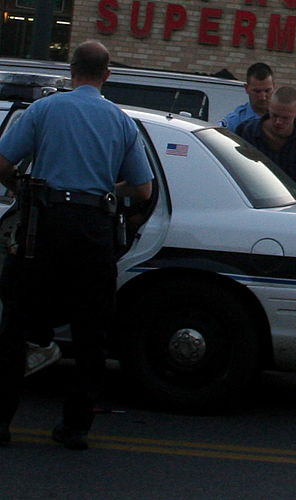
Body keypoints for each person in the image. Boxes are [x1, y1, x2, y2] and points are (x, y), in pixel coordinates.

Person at [0, 40, 153, 449]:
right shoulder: (121, 122)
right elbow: (142, 189)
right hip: (92, 229)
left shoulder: (44, 110)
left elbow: (1, 163)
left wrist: (21, 190)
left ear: (72, 70)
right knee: (91, 331)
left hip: (42, 226)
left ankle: (1, 423)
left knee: (15, 323)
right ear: (107, 74)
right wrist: (107, 189)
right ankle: (75, 428)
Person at [236, 86, 296, 198]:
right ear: (269, 107)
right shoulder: (246, 132)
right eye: (274, 115)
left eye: (286, 118)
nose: (278, 122)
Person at [218, 62, 296, 132]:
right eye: (257, 91)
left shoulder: (293, 117)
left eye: (267, 91)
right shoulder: (234, 122)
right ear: (246, 88)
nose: (262, 97)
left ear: (274, 87)